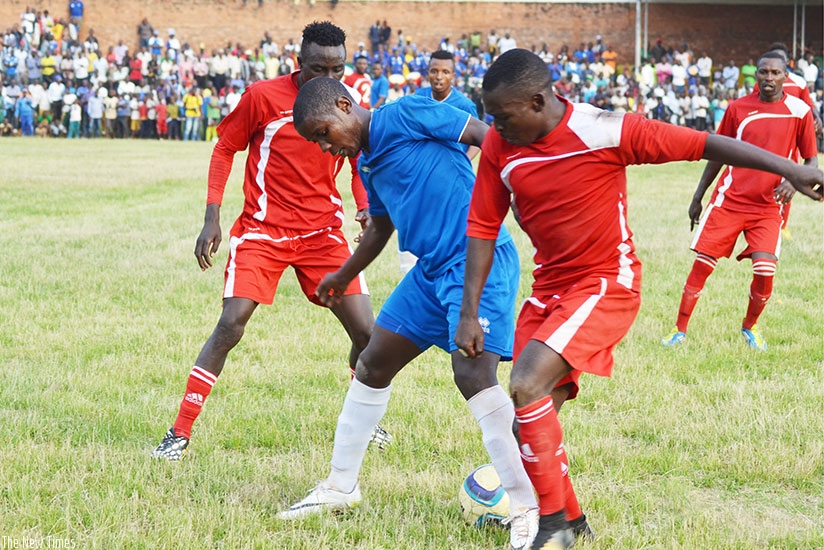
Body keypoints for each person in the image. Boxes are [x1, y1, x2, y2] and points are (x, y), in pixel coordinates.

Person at [454, 49, 823, 549]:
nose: (494, 128)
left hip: (607, 282)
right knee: (530, 419)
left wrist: (791, 169)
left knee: (524, 383)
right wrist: (469, 313)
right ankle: (574, 521)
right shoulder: (502, 145)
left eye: (503, 116)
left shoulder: (604, 130)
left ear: (538, 101)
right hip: (548, 292)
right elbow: (482, 225)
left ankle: (554, 529)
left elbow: (703, 143)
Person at [278, 77, 542, 550]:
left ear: (344, 106)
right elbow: (380, 228)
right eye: (317, 141)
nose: (324, 147)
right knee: (372, 363)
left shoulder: (406, 113)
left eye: (323, 133)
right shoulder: (366, 161)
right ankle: (341, 486)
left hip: (477, 260)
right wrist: (342, 275)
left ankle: (527, 507)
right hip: (430, 271)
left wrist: (518, 194)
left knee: (472, 374)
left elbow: (485, 135)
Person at [152, 21, 389, 461]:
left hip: (322, 233)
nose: (329, 77)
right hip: (263, 231)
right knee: (231, 325)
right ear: (299, 63)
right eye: (319, 68)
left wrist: (364, 205)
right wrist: (211, 216)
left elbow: (358, 158)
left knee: (367, 333)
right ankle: (179, 433)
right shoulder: (263, 97)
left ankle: (364, 418)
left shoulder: (346, 101)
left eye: (337, 69)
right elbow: (225, 148)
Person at [661, 52, 819, 351]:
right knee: (702, 265)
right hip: (730, 201)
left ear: (786, 77)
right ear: (755, 75)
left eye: (775, 73)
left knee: (765, 270)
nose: (768, 78)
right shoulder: (737, 108)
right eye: (763, 72)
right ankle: (678, 329)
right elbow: (717, 153)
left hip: (768, 206)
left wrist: (792, 182)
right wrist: (698, 196)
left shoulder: (800, 111)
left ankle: (750, 326)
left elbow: (811, 159)